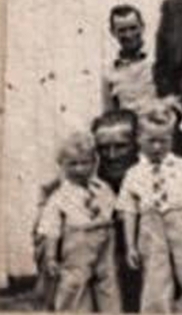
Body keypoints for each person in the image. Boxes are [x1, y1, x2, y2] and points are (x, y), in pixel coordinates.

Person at [118, 103, 182, 314]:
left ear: (172, 139)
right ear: (138, 140)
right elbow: (130, 212)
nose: (158, 147)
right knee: (156, 277)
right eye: (151, 141)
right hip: (150, 225)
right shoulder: (133, 174)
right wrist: (131, 245)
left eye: (164, 141)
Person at [35, 131, 120, 313]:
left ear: (94, 162)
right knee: (74, 284)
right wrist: (50, 256)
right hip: (77, 242)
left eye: (85, 163)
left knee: (108, 283)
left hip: (105, 239)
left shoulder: (103, 188)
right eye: (73, 164)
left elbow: (114, 211)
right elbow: (52, 229)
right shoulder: (59, 197)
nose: (80, 169)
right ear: (62, 165)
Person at [91, 110, 143, 312]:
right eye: (103, 148)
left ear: (137, 143)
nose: (111, 156)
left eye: (121, 147)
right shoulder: (92, 181)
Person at [101, 5, 156, 116]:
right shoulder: (109, 72)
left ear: (142, 27)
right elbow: (109, 115)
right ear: (113, 32)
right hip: (128, 131)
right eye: (122, 30)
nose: (129, 35)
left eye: (133, 28)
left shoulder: (160, 60)